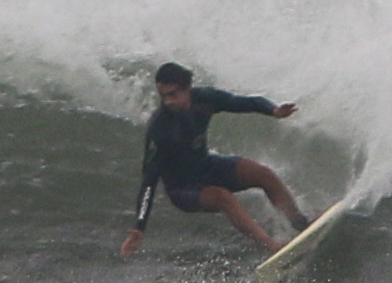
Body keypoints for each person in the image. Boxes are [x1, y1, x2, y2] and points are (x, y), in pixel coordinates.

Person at [121, 62, 310, 257]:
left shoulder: (205, 99)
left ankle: (302, 225)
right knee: (223, 197)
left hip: (206, 167)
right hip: (183, 188)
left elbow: (245, 102)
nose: (167, 101)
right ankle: (272, 247)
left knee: (263, 174)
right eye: (163, 96)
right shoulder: (159, 127)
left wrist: (273, 111)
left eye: (173, 94)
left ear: (187, 89)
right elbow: (149, 180)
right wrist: (139, 227)